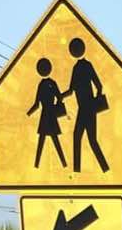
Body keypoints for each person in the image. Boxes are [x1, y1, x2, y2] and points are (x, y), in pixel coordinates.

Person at [66, 36, 109, 174]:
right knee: (81, 138)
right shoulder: (76, 68)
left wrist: (95, 104)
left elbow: (99, 86)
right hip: (83, 108)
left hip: (88, 108)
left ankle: (104, 169)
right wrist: (60, 96)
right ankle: (79, 170)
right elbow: (71, 90)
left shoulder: (86, 66)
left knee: (89, 140)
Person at [28, 57, 67, 169]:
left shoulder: (41, 85)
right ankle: (63, 164)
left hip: (45, 116)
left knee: (43, 141)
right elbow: (59, 98)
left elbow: (36, 104)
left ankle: (36, 165)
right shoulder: (52, 83)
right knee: (53, 141)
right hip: (51, 115)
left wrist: (28, 113)